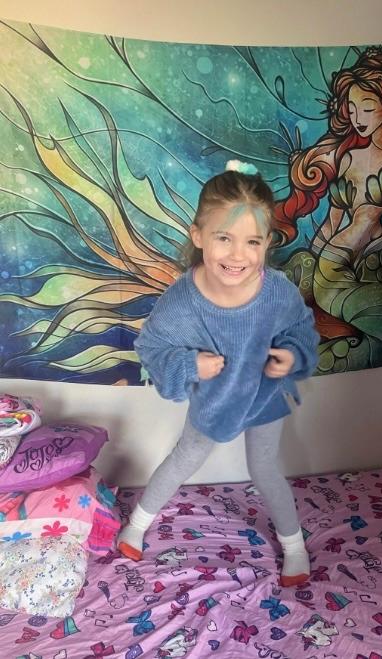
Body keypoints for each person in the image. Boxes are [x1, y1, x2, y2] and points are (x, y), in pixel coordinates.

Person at [117, 160, 319, 587]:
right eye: (224, 238)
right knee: (184, 458)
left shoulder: (276, 290)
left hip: (264, 397)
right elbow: (151, 346)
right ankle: (137, 524)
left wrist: (290, 355)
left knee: (265, 469)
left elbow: (300, 327)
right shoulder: (182, 300)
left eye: (252, 241)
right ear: (199, 236)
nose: (237, 255)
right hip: (215, 396)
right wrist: (191, 364)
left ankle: (295, 547)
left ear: (267, 242)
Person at [275, 48, 382, 371]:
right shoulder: (349, 158)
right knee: (304, 277)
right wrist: (314, 261)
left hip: (381, 261)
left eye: (367, 108)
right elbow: (333, 220)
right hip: (334, 261)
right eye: (352, 109)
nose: (358, 118)